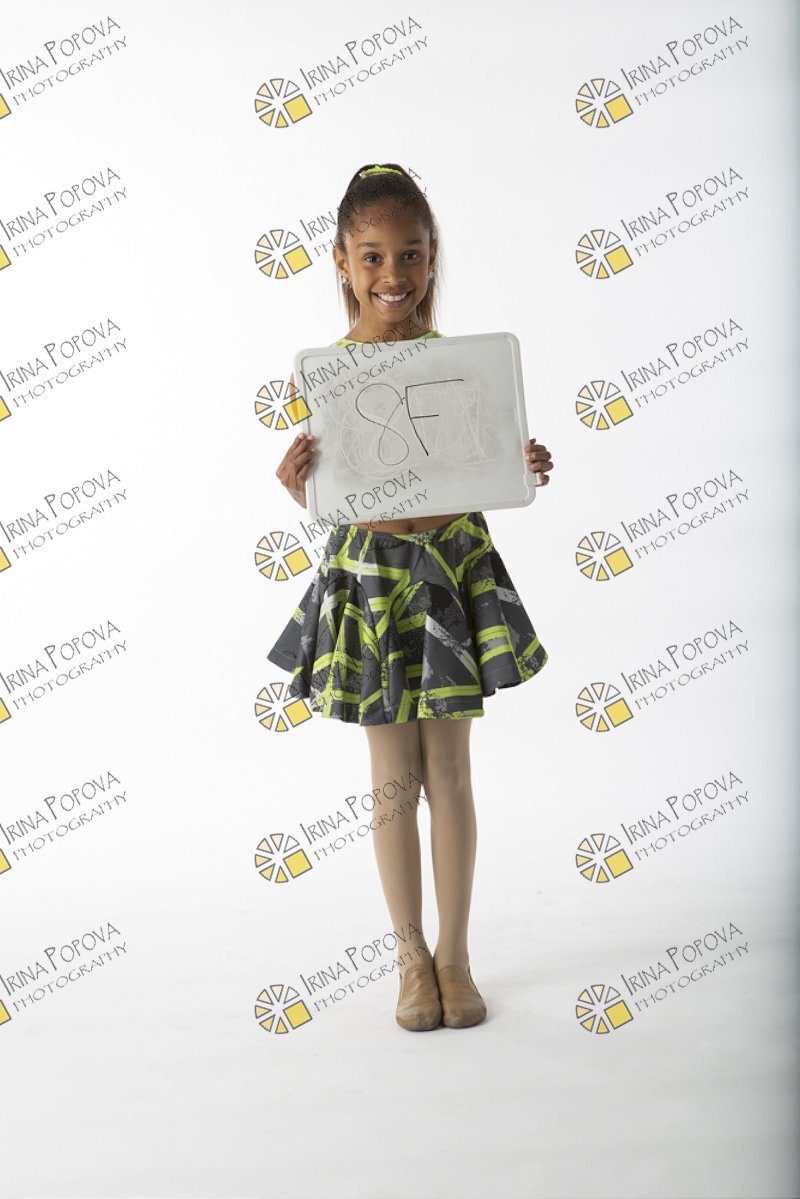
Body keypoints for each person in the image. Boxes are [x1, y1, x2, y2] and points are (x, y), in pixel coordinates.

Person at [267, 164, 554, 1032]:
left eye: (411, 254)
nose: (394, 274)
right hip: (371, 580)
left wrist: (517, 465)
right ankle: (409, 958)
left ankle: (456, 957)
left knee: (450, 772)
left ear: (432, 257)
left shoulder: (463, 368)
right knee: (394, 780)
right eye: (374, 256)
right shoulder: (327, 375)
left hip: (449, 570)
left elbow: (477, 462)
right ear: (342, 261)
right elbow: (340, 482)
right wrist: (299, 484)